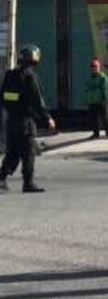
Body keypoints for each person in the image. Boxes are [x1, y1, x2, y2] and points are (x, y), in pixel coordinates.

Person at [1, 45, 56, 194]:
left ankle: (1, 177)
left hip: (11, 120)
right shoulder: (30, 76)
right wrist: (48, 118)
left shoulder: (9, 75)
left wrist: (13, 108)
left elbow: (4, 97)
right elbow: (38, 100)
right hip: (26, 121)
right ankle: (28, 183)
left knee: (12, 152)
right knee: (28, 152)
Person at [84, 58, 108, 139]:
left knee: (104, 117)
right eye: (92, 66)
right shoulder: (90, 77)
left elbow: (105, 89)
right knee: (93, 118)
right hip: (92, 100)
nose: (94, 68)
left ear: (99, 67)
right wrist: (87, 99)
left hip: (100, 100)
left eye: (95, 66)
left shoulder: (102, 77)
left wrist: (106, 99)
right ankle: (96, 133)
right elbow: (87, 88)